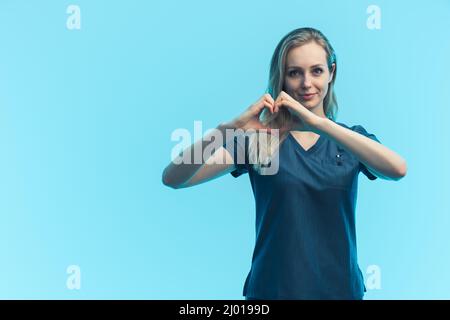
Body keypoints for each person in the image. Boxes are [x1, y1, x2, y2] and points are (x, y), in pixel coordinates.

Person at [162, 27, 407, 300]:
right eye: (294, 72)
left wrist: (320, 125)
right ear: (282, 79)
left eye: (316, 71)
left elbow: (398, 169)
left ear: (332, 73)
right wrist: (226, 128)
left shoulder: (351, 141)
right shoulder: (262, 141)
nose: (306, 83)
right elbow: (174, 178)